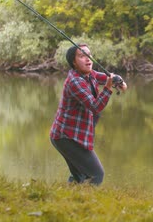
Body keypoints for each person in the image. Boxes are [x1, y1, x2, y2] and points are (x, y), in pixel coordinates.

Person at [50, 44, 127, 185]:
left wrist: (119, 80)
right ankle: (88, 202)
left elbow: (107, 76)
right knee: (96, 174)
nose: (88, 59)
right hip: (65, 137)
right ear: (74, 62)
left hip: (71, 136)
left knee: (79, 176)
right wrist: (109, 88)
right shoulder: (75, 82)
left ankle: (71, 202)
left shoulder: (89, 74)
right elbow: (95, 107)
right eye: (82, 56)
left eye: (89, 55)